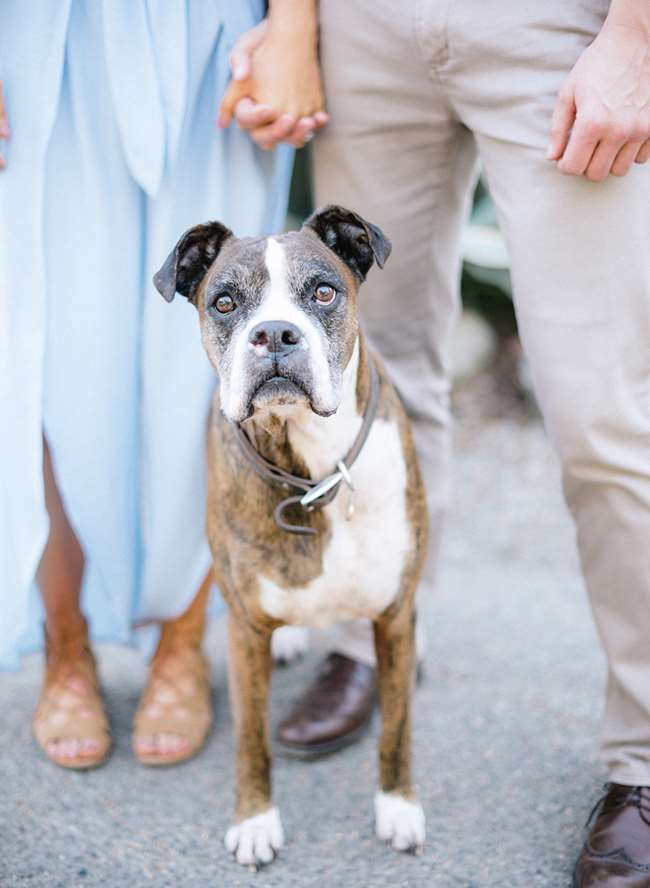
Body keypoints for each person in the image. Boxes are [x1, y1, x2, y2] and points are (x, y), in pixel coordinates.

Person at [221, 0, 650, 883]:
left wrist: (636, 36)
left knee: (602, 416)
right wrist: (296, 26)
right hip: (366, 26)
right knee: (375, 375)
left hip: (555, 27)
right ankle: (366, 644)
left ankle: (644, 760)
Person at [0, 0, 301, 771]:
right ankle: (65, 644)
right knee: (44, 344)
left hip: (216, 36)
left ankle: (182, 642)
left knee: (213, 350)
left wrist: (295, 25)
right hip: (40, 36)